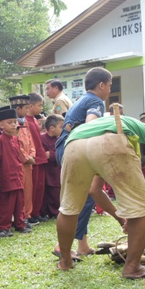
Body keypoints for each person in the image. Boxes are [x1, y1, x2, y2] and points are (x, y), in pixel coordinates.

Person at [56, 114, 145, 278]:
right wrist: (136, 214)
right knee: (139, 208)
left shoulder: (130, 130)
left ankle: (65, 261)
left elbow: (94, 189)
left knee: (69, 207)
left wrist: (121, 218)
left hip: (75, 141)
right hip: (112, 138)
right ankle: (132, 267)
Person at [53, 67, 110, 258]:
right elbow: (91, 125)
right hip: (74, 150)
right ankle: (63, 246)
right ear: (101, 85)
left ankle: (82, 245)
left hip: (66, 148)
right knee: (81, 198)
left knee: (85, 197)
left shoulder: (83, 100)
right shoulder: (95, 100)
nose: (109, 90)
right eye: (109, 85)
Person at [0, 107, 26, 237]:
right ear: (1, 124)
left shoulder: (15, 138)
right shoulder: (0, 140)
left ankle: (20, 223)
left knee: (20, 201)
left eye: (15, 122)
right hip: (7, 176)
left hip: (18, 174)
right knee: (6, 202)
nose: (13, 125)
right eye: (9, 122)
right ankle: (3, 226)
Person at [10, 95, 36, 227]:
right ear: (18, 108)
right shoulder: (13, 124)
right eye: (25, 108)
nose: (27, 110)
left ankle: (27, 214)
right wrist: (26, 157)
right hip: (20, 163)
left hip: (29, 163)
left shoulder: (25, 123)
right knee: (20, 191)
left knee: (28, 190)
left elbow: (30, 141)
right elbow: (16, 146)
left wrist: (32, 154)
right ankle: (20, 216)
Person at [26, 92, 48, 224]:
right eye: (39, 105)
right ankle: (31, 213)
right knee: (33, 188)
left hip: (40, 156)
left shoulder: (34, 119)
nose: (41, 108)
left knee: (40, 187)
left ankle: (37, 211)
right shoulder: (25, 121)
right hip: (34, 158)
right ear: (30, 106)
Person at [40, 114, 64, 219]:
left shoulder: (60, 139)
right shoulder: (41, 138)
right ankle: (44, 212)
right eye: (61, 127)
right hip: (45, 170)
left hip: (57, 170)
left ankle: (55, 212)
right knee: (46, 193)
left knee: (56, 193)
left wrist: (52, 154)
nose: (62, 129)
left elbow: (63, 152)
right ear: (52, 128)